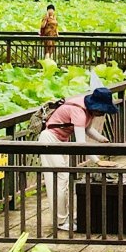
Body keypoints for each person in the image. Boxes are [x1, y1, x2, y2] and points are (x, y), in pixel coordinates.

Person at [35, 95, 96, 232]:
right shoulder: (79, 111)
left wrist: (102, 140)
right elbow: (81, 143)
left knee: (65, 181)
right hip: (50, 140)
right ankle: (60, 221)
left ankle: (66, 217)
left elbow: (88, 129)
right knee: (58, 180)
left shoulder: (87, 110)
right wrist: (97, 160)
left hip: (62, 141)